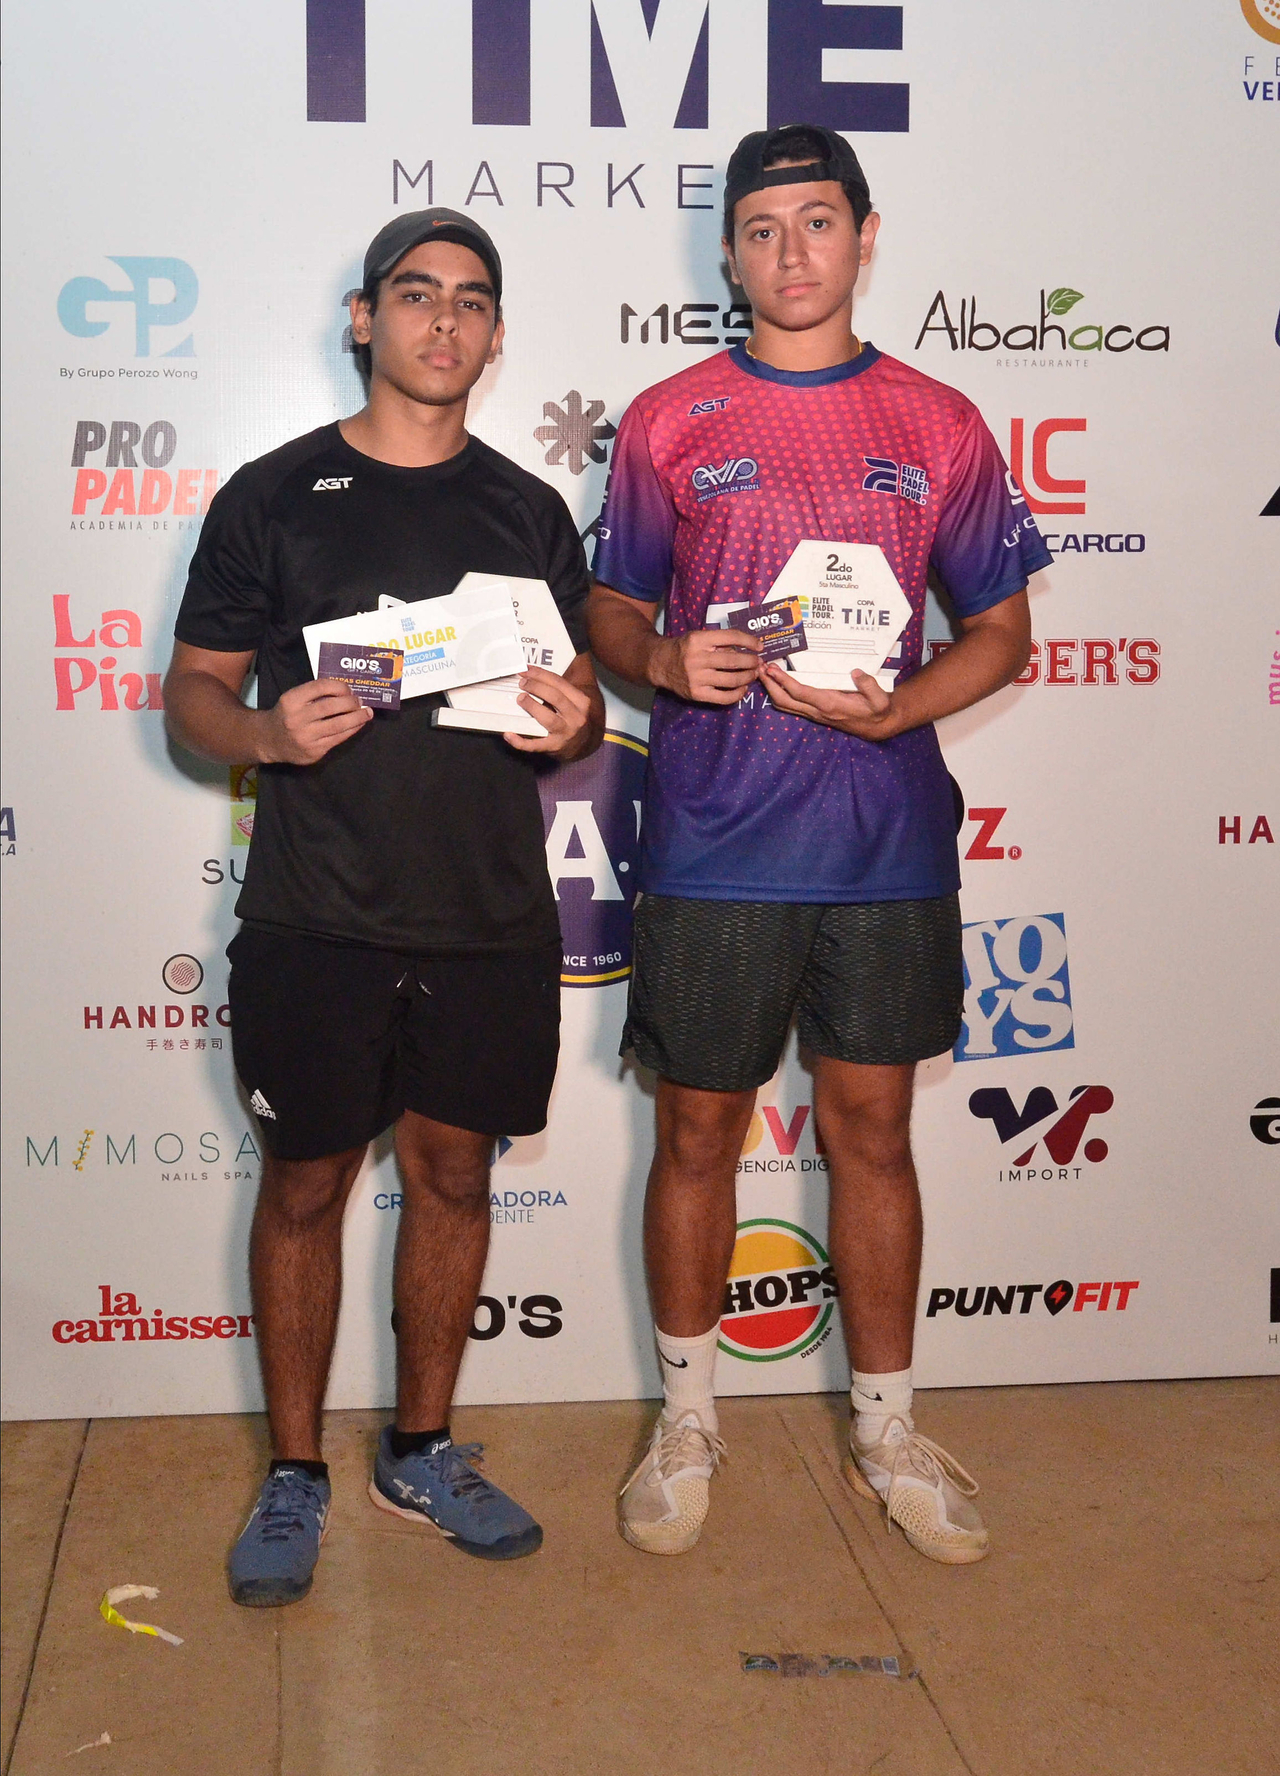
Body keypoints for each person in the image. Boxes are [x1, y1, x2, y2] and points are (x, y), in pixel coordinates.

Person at [588, 124, 1051, 1564]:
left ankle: (888, 1428)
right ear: (729, 252)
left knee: (873, 1136)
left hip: (881, 842)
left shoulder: (939, 421)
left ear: (865, 234)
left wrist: (902, 705)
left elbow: (1002, 631)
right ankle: (686, 1421)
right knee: (696, 1136)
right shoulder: (669, 418)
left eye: (818, 221)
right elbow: (611, 608)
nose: (791, 252)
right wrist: (662, 659)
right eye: (762, 228)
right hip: (717, 841)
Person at [164, 209, 603, 1606]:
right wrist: (264, 733)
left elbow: (580, 702)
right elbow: (191, 698)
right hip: (317, 916)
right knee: (304, 1188)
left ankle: (420, 1450)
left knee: (457, 1177)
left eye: (470, 300)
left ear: (495, 333)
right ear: (365, 319)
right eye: (415, 294)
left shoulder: (529, 511)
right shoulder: (272, 495)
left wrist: (575, 721)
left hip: (487, 915)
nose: (442, 320)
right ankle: (294, 1470)